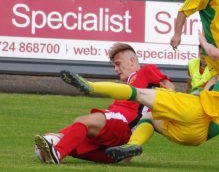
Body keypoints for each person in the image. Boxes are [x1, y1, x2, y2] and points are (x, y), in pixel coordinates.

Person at [59, 31, 219, 168]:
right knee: (149, 115)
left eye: (118, 64)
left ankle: (90, 86)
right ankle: (130, 148)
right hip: (199, 135)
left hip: (196, 110)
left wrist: (203, 39)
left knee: (141, 96)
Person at [34, 42, 175, 164]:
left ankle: (56, 154)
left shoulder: (146, 71)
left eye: (118, 64)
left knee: (85, 121)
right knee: (64, 137)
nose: (115, 69)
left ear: (132, 61)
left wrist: (160, 108)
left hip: (124, 123)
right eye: (114, 65)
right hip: (115, 126)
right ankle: (113, 156)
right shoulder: (125, 87)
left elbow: (169, 87)